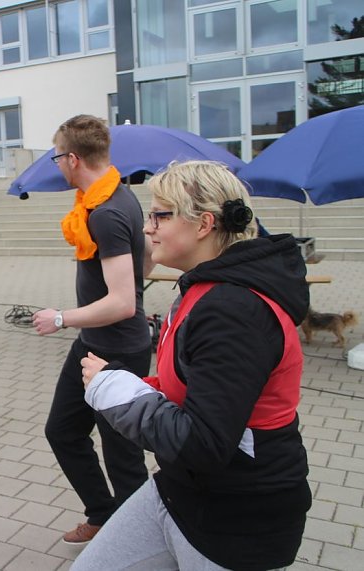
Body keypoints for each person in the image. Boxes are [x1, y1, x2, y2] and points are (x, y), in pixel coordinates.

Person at [74, 160, 311, 571]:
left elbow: (202, 445)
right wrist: (130, 383)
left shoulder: (233, 309)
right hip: (182, 491)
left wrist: (113, 388)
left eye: (160, 215)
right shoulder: (205, 288)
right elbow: (185, 386)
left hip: (238, 519)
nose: (147, 228)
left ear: (203, 224)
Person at [32, 115, 151, 545]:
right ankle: (103, 514)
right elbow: (146, 258)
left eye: (58, 156)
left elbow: (123, 303)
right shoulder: (109, 199)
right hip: (92, 344)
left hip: (119, 351)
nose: (57, 164)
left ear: (74, 158)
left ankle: (140, 544)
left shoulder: (108, 212)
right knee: (62, 431)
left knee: (124, 456)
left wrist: (61, 317)